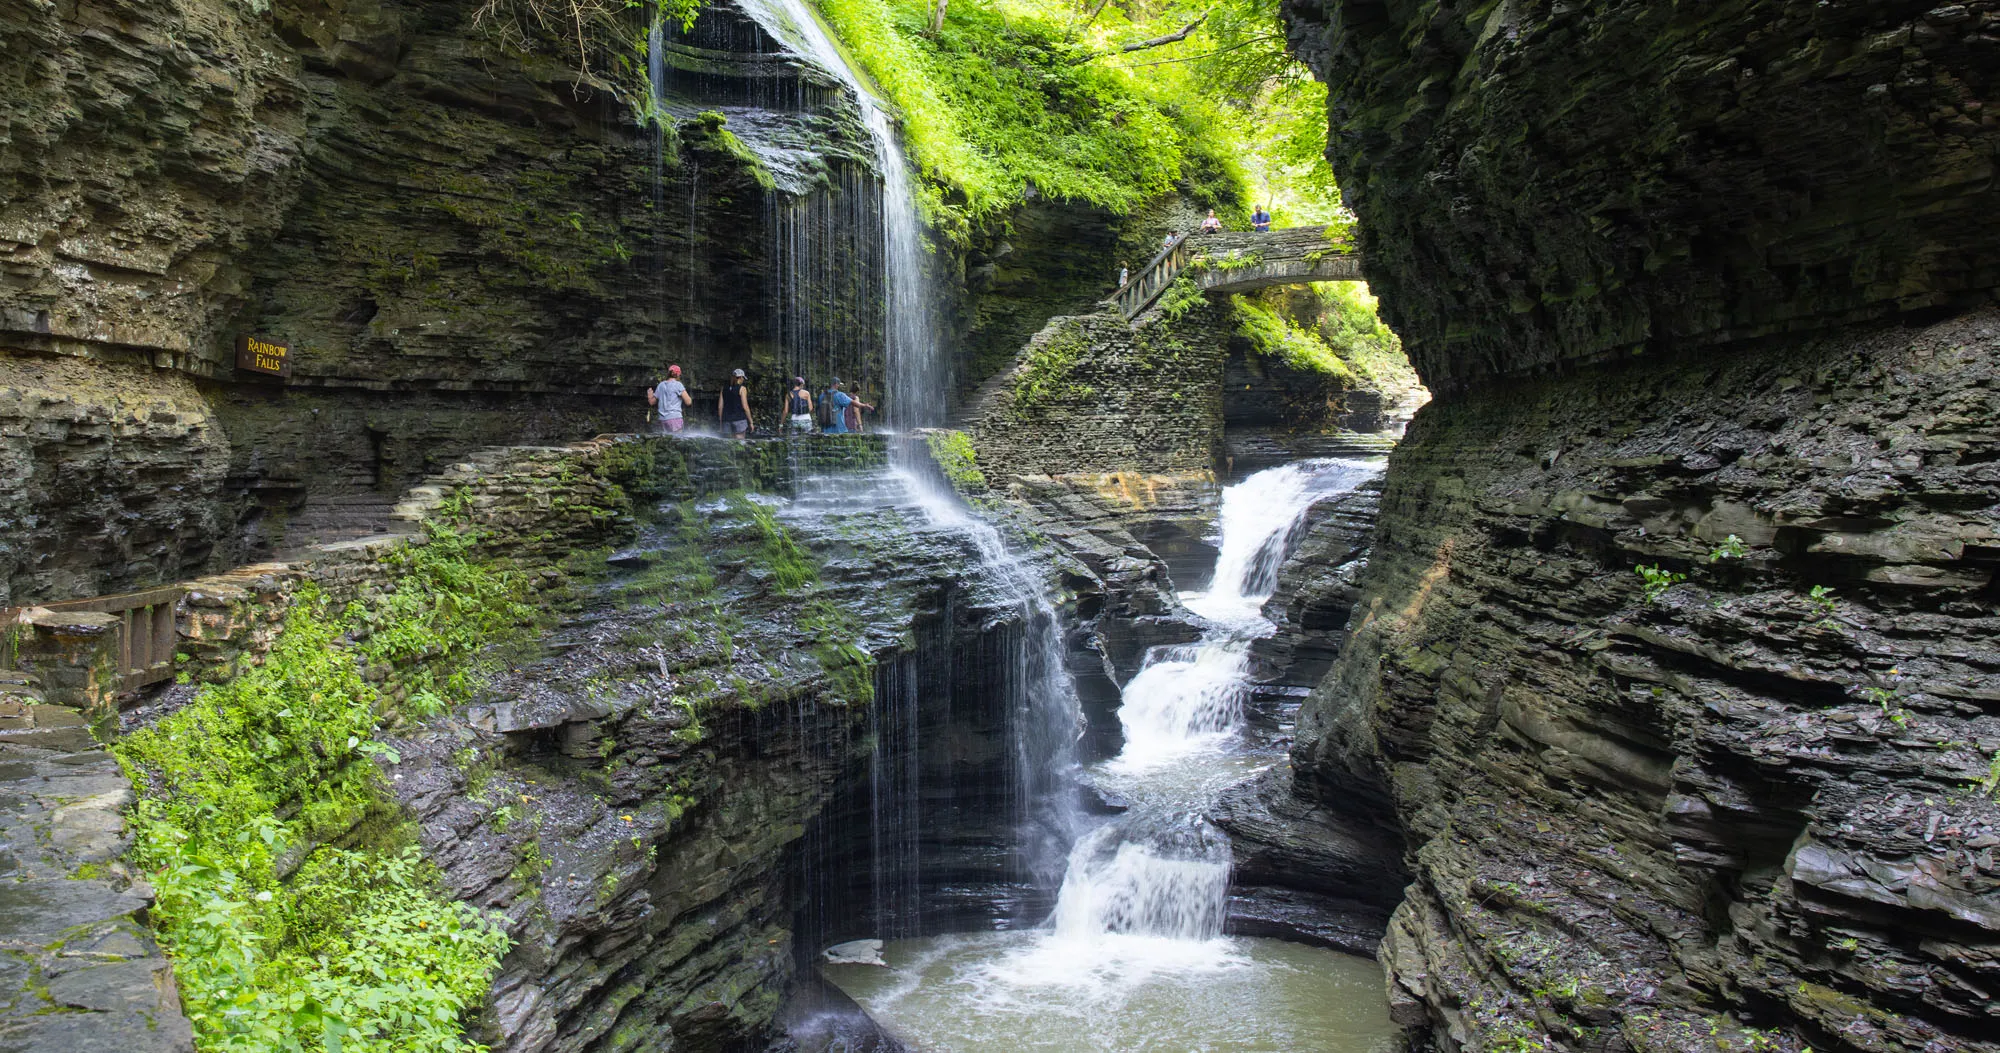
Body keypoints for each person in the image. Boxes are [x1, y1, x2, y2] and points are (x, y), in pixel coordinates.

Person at [646, 365, 692, 434]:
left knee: (668, 440)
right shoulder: (678, 385)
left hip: (663, 419)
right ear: (678, 374)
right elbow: (688, 402)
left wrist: (649, 394)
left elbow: (652, 402)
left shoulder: (661, 385)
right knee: (677, 440)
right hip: (675, 417)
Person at [718, 368, 754, 439]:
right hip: (739, 420)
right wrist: (751, 422)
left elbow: (720, 407)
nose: (743, 380)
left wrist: (721, 422)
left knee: (728, 444)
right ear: (740, 377)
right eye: (743, 378)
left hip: (726, 420)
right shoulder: (742, 389)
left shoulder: (723, 388)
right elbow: (745, 406)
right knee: (739, 444)